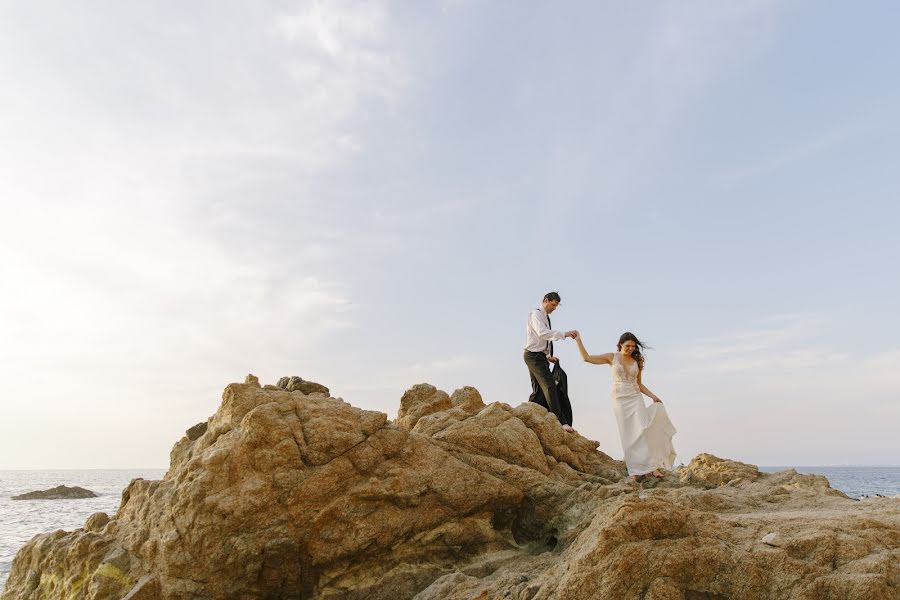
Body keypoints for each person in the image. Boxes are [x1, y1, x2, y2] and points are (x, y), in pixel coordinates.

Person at [573, 331, 676, 479]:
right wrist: (578, 340)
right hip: (619, 398)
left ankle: (652, 467)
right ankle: (634, 470)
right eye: (628, 346)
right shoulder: (611, 357)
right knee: (627, 433)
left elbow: (639, 384)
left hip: (635, 396)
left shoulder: (637, 361)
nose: (631, 349)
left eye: (633, 346)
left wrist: (653, 397)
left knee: (643, 428)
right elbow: (587, 358)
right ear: (621, 344)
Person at [523, 292, 577, 432]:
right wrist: (564, 334)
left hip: (539, 356)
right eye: (553, 305)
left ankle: (526, 416)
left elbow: (539, 340)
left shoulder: (545, 317)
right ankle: (560, 422)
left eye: (556, 306)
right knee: (550, 386)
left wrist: (547, 356)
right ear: (545, 300)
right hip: (533, 356)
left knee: (539, 391)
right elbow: (542, 333)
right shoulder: (536, 314)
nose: (554, 308)